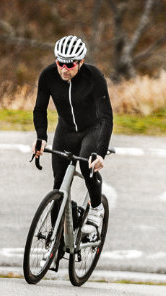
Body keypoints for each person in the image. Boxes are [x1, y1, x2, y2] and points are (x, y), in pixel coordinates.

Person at [30, 35, 112, 225]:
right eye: (60, 63)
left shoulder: (94, 77)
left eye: (70, 65)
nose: (64, 69)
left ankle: (97, 208)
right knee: (58, 186)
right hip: (65, 130)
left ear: (81, 62)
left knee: (87, 164)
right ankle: (55, 245)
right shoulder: (48, 75)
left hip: (92, 129)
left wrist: (100, 153)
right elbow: (39, 109)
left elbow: (106, 117)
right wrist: (41, 137)